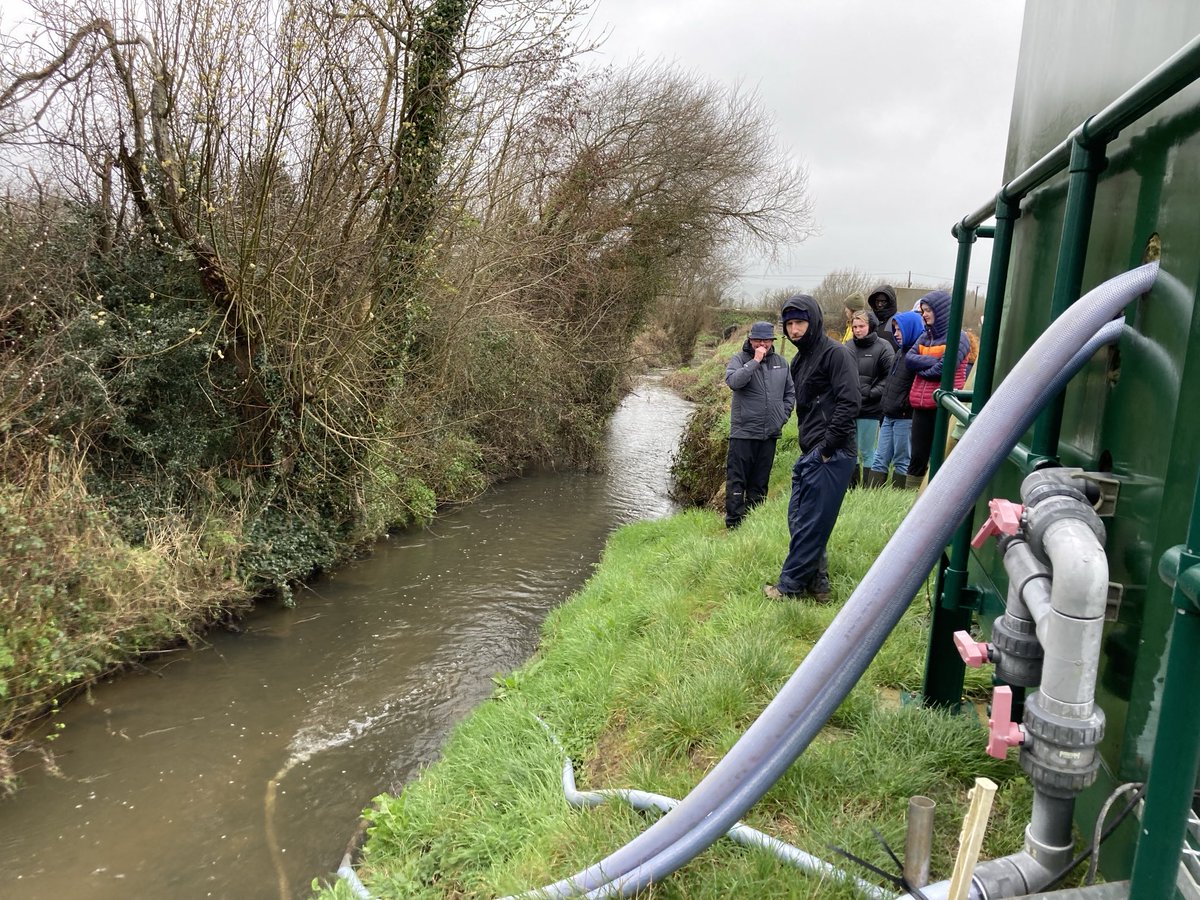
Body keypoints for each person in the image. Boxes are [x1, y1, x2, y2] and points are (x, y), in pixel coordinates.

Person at [764, 294, 860, 602]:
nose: (794, 330)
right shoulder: (800, 361)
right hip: (812, 452)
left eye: (800, 323)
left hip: (833, 452)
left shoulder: (836, 355)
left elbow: (849, 402)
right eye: (789, 324)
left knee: (810, 523)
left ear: (814, 322)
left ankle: (788, 587)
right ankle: (819, 585)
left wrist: (828, 447)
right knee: (800, 518)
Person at [723, 321, 795, 528]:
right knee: (737, 481)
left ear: (772, 341)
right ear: (750, 340)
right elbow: (734, 382)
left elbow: (790, 392)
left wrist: (782, 415)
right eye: (758, 340)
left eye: (766, 340)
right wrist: (755, 361)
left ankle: (753, 523)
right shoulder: (739, 359)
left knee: (760, 483)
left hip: (769, 434)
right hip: (743, 433)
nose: (762, 344)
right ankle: (734, 524)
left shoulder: (781, 363)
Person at [905, 290, 970, 487]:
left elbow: (944, 368)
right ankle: (910, 494)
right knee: (917, 455)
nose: (923, 315)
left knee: (940, 454)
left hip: (944, 404)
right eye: (923, 311)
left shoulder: (959, 338)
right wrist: (932, 361)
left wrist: (923, 367)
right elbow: (909, 360)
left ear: (941, 312)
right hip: (921, 404)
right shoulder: (924, 337)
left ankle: (935, 492)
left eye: (927, 311)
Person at [864, 310, 924, 488]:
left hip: (904, 416)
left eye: (900, 330)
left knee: (901, 459)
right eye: (895, 330)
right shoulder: (900, 353)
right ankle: (872, 496)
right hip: (889, 414)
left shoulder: (917, 355)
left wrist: (905, 405)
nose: (896, 334)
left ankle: (899, 496)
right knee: (880, 457)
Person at [844, 309, 893, 488]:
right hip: (849, 407)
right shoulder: (847, 347)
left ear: (870, 326)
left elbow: (889, 377)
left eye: (861, 326)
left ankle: (869, 488)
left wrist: (870, 393)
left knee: (867, 450)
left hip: (871, 409)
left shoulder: (883, 347)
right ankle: (851, 487)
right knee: (851, 450)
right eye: (854, 326)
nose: (857, 330)